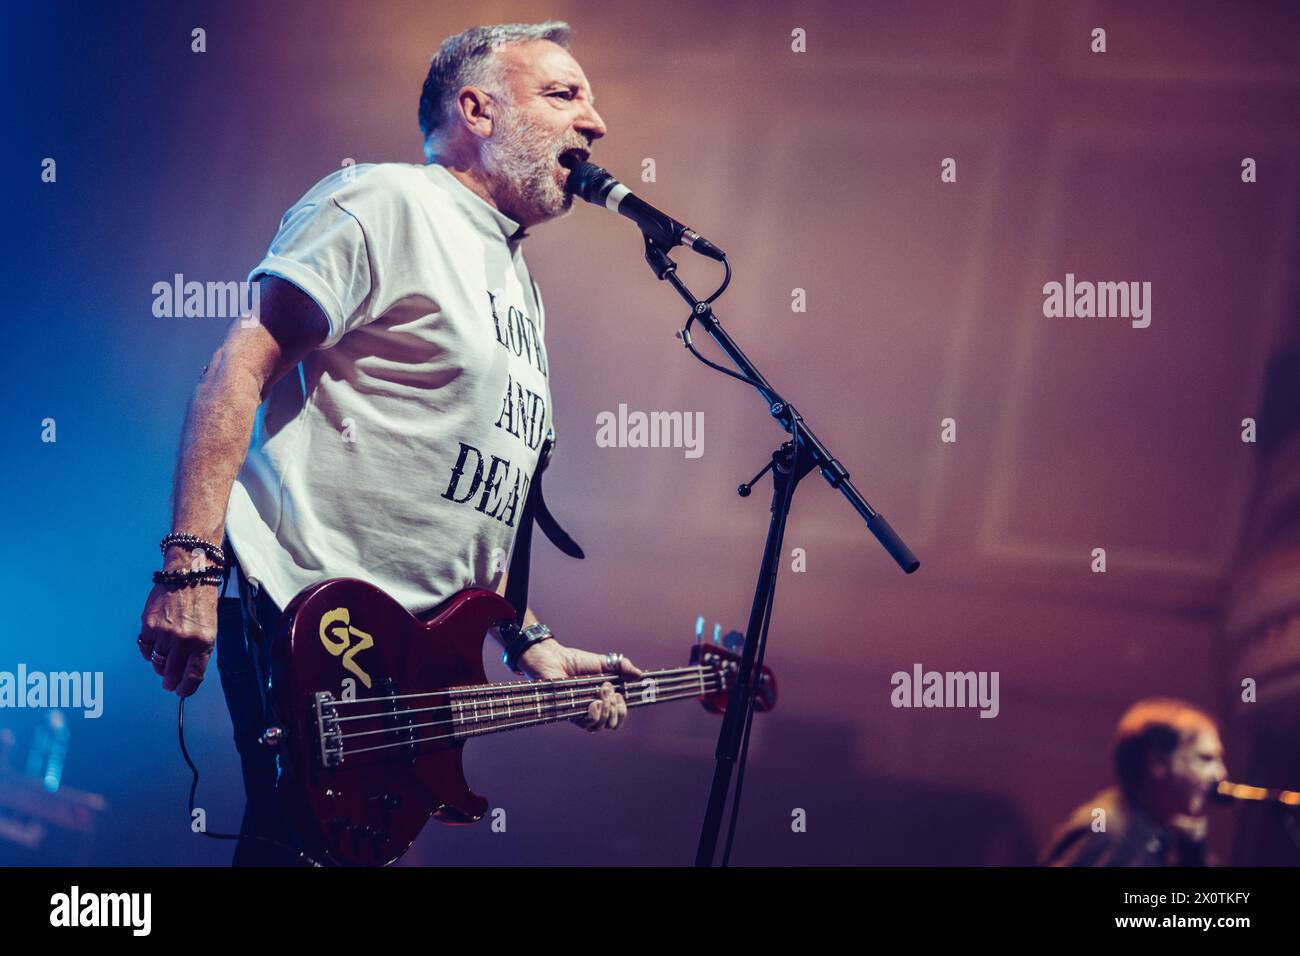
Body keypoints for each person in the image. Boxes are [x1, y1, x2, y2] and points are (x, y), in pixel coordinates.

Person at [136, 20, 643, 865]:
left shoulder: (518, 281)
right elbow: (241, 361)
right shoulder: (390, 201)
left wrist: (527, 640)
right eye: (564, 94)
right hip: (309, 610)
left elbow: (471, 496)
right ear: (477, 110)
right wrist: (190, 562)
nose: (595, 124)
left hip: (406, 656)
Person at [1041, 697, 1227, 866]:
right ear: (1158, 763)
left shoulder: (1156, 830)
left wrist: (1193, 852)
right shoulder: (1111, 835)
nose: (1220, 773)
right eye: (1205, 759)